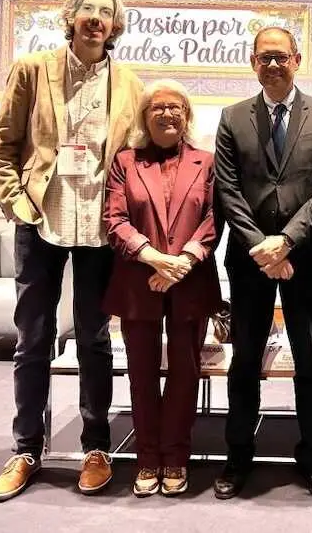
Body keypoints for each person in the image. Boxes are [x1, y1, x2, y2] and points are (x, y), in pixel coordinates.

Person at [0, 0, 143, 502]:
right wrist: (17, 202)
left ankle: (96, 447)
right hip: (42, 221)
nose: (96, 19)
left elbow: (135, 155)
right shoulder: (34, 70)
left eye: (105, 13)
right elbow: (2, 142)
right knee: (32, 340)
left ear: (115, 26)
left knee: (96, 341)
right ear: (71, 18)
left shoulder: (129, 83)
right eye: (87, 11)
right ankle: (26, 448)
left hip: (99, 227)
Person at [213, 26, 312, 500]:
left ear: (297, 59)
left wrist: (285, 242)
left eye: (281, 57)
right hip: (249, 261)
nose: (273, 64)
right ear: (253, 63)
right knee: (245, 360)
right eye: (264, 57)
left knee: (310, 361)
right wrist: (260, 247)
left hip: (306, 258)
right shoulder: (232, 118)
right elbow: (226, 189)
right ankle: (237, 459)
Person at [101, 79, 221, 497]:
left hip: (190, 281)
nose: (167, 114)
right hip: (140, 280)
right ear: (144, 116)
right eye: (157, 107)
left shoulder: (206, 161)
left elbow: (212, 218)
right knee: (141, 374)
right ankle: (147, 458)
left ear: (186, 115)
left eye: (176, 107)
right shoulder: (125, 161)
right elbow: (114, 220)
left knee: (186, 374)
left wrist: (182, 262)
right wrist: (155, 258)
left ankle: (176, 457)